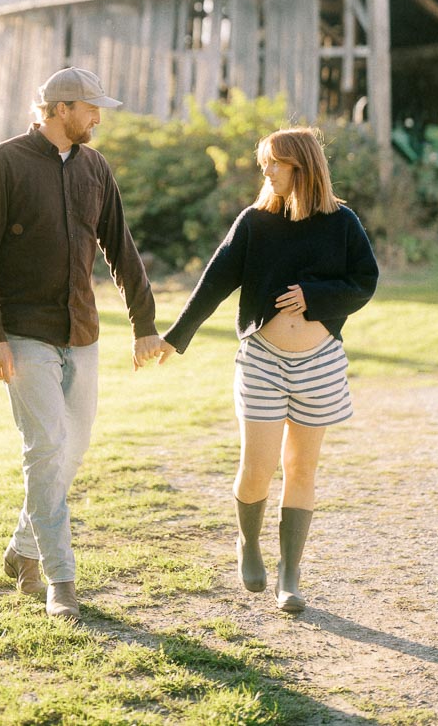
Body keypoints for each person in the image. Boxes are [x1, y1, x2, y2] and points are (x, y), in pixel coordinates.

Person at [0, 66, 164, 622]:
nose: (98, 118)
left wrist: (143, 323)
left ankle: (24, 548)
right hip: (23, 334)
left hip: (82, 333)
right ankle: (61, 580)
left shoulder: (95, 167)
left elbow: (120, 247)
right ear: (59, 109)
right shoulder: (4, 163)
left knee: (71, 448)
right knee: (46, 446)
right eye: (90, 108)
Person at [157, 126, 378, 613]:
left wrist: (315, 297)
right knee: (256, 469)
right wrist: (177, 336)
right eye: (265, 165)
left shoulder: (342, 223)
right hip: (262, 361)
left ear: (303, 164)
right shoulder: (255, 222)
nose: (268, 172)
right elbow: (216, 279)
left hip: (319, 363)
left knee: (301, 468)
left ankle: (290, 575)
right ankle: (248, 543)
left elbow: (366, 281)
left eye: (275, 163)